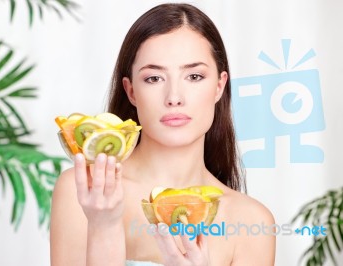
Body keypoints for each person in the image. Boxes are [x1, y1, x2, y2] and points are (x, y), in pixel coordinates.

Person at [50, 3, 276, 266]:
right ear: (131, 90)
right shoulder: (87, 192)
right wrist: (104, 227)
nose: (174, 98)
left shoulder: (252, 222)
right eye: (154, 79)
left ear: (219, 86)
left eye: (193, 76)